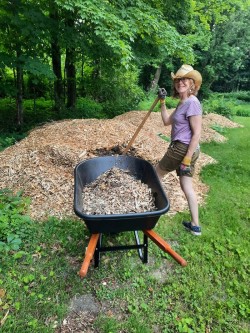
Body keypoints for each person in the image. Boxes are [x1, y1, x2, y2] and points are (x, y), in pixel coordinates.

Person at [155, 64, 203, 236]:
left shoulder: (192, 103)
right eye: (178, 80)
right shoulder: (183, 103)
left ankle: (149, 212)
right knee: (186, 185)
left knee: (155, 175)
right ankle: (195, 226)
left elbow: (197, 133)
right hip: (187, 149)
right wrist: (162, 102)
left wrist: (187, 159)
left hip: (183, 148)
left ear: (192, 84)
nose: (180, 82)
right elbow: (167, 121)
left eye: (184, 79)